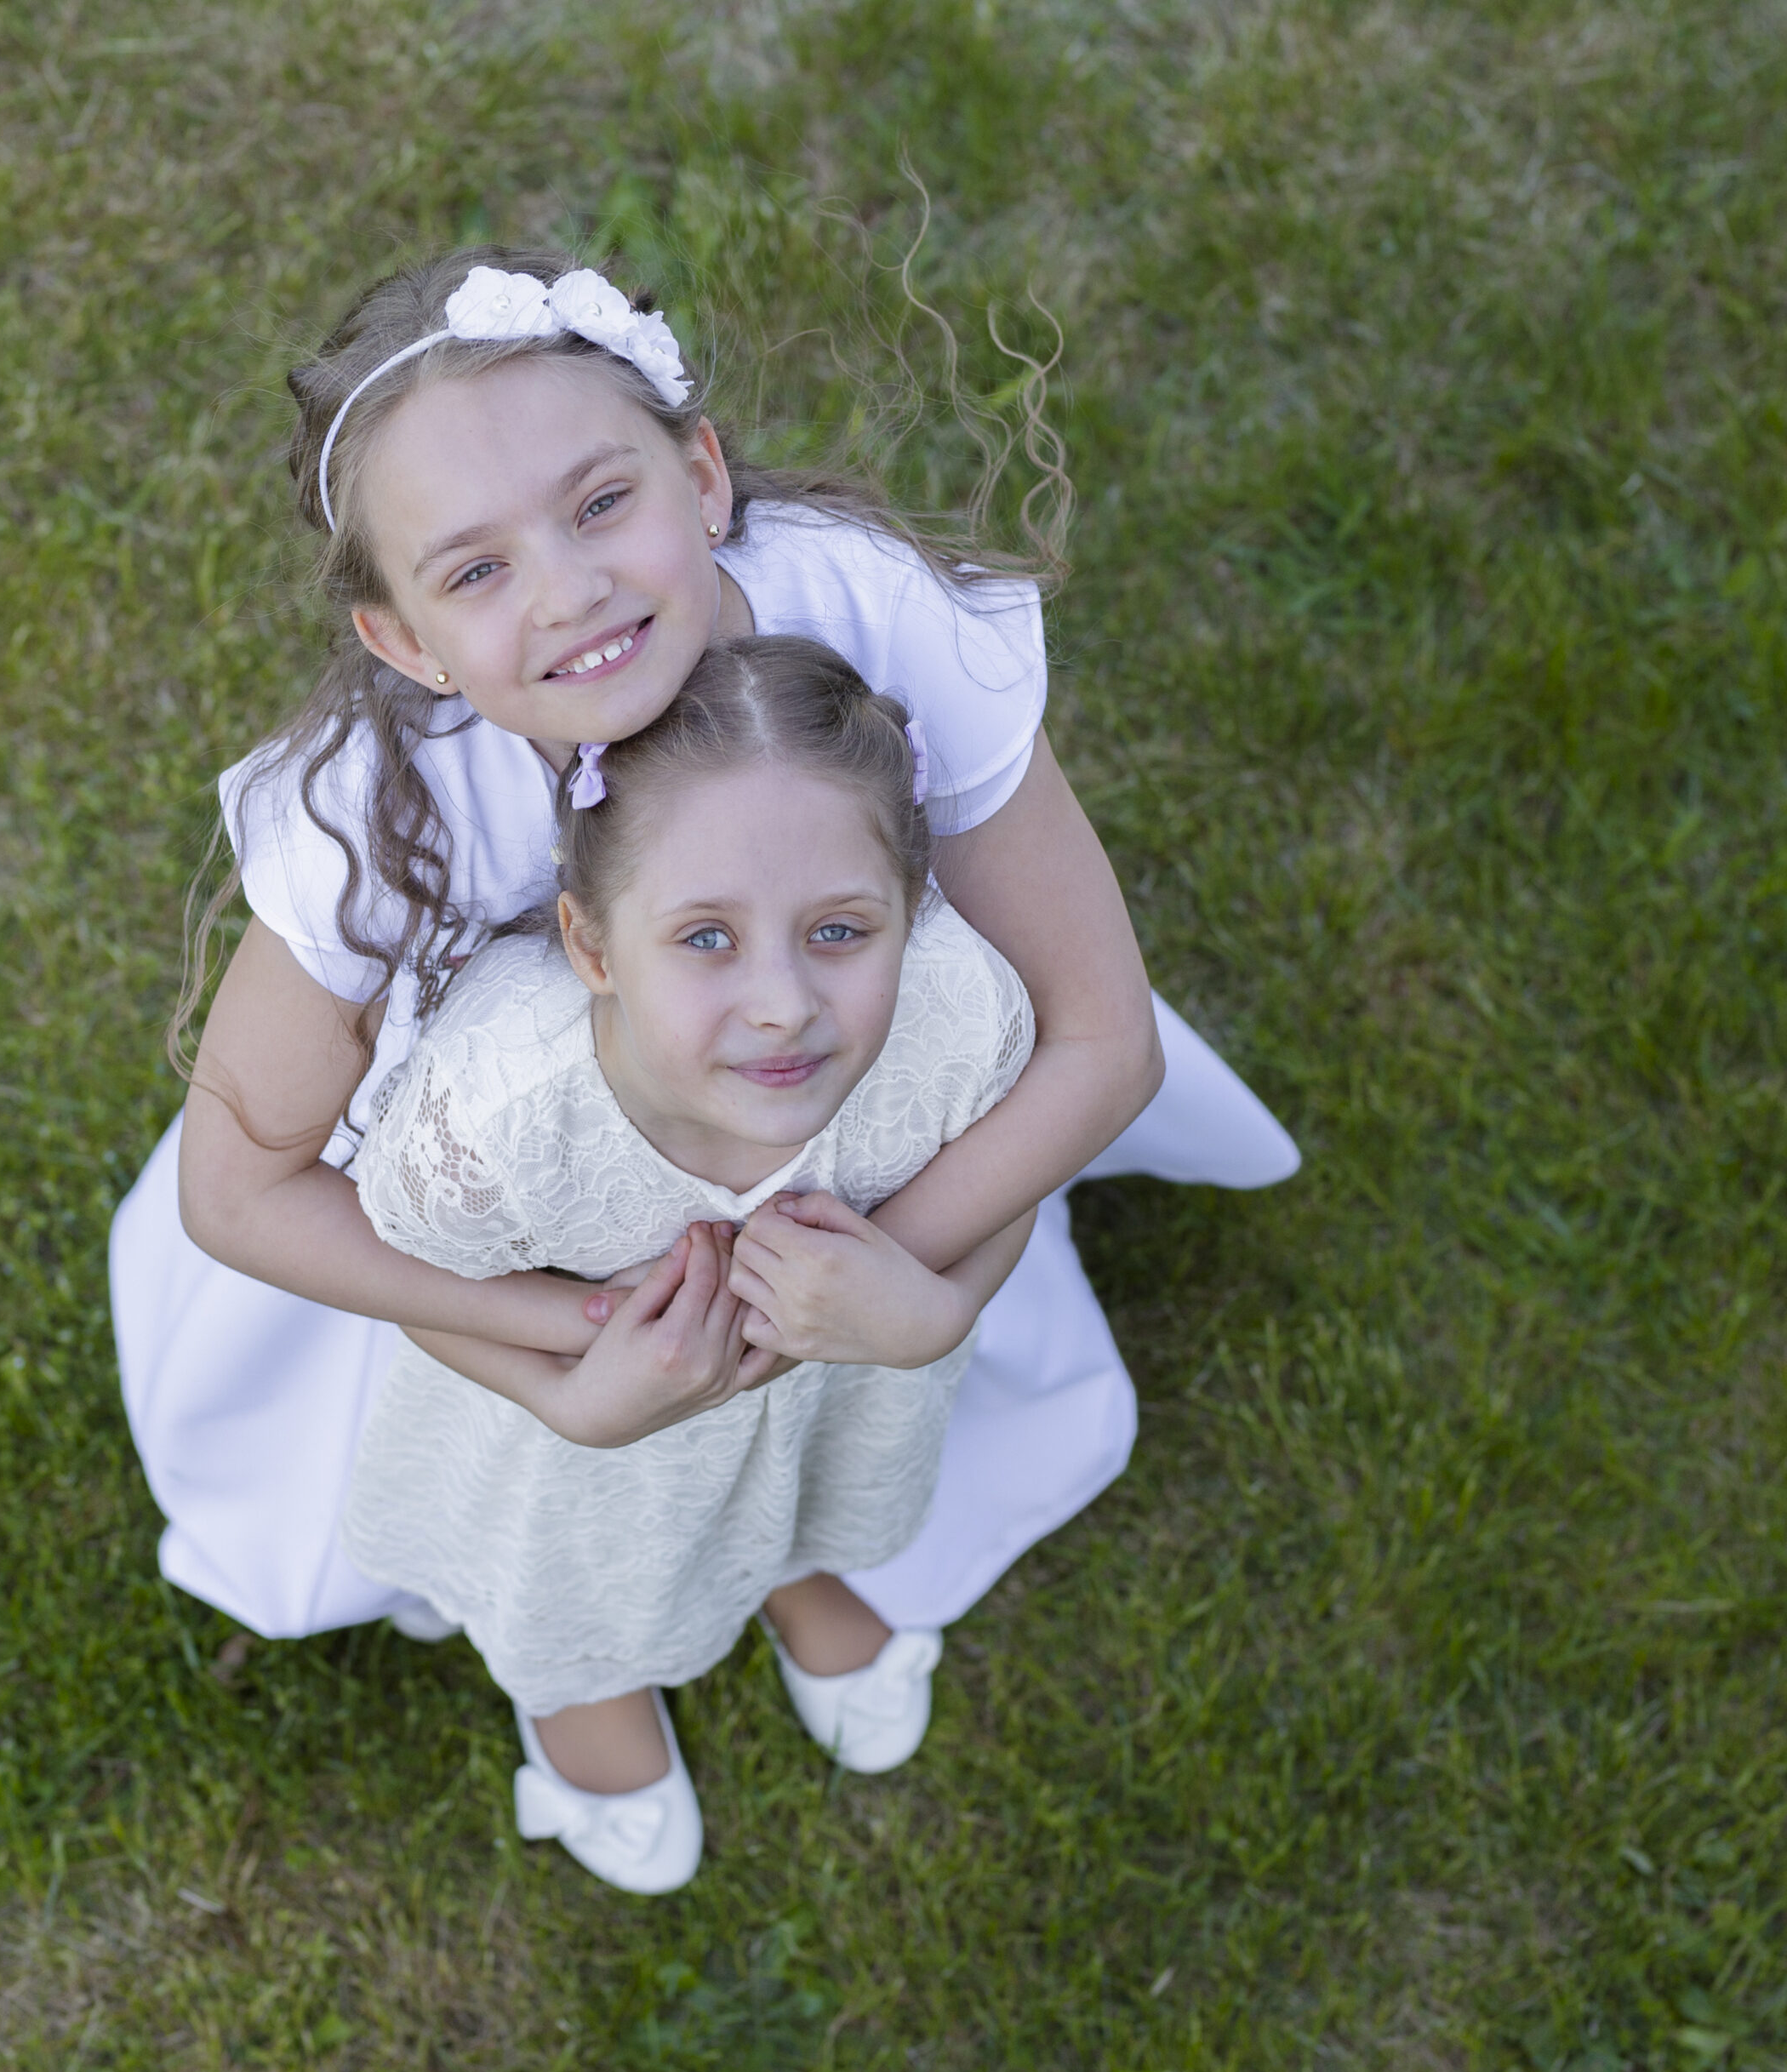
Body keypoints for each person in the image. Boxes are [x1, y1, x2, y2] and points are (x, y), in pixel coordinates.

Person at [108, 246, 1296, 1699]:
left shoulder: (869, 613)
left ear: (705, 478)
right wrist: (576, 1359)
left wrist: (904, 1289)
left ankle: (798, 1553)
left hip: (843, 1108)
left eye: (601, 504)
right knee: (591, 1493)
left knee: (823, 1405)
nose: (571, 591)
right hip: (522, 1204)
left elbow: (1100, 1037)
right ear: (407, 642)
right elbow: (241, 1192)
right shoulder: (386, 819)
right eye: (477, 571)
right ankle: (589, 1682)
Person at [344, 635, 1036, 1891]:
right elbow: (418, 1282)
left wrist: (938, 1310)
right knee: (586, 1559)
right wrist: (572, 1386)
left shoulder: (954, 1014)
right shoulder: (501, 1117)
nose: (782, 1004)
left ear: (915, 906)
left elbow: (1011, 1176)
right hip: (588, 1429)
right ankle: (581, 1684)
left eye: (840, 930)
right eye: (706, 938)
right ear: (592, 947)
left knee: (810, 1475)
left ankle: (791, 1570)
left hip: (834, 1381)